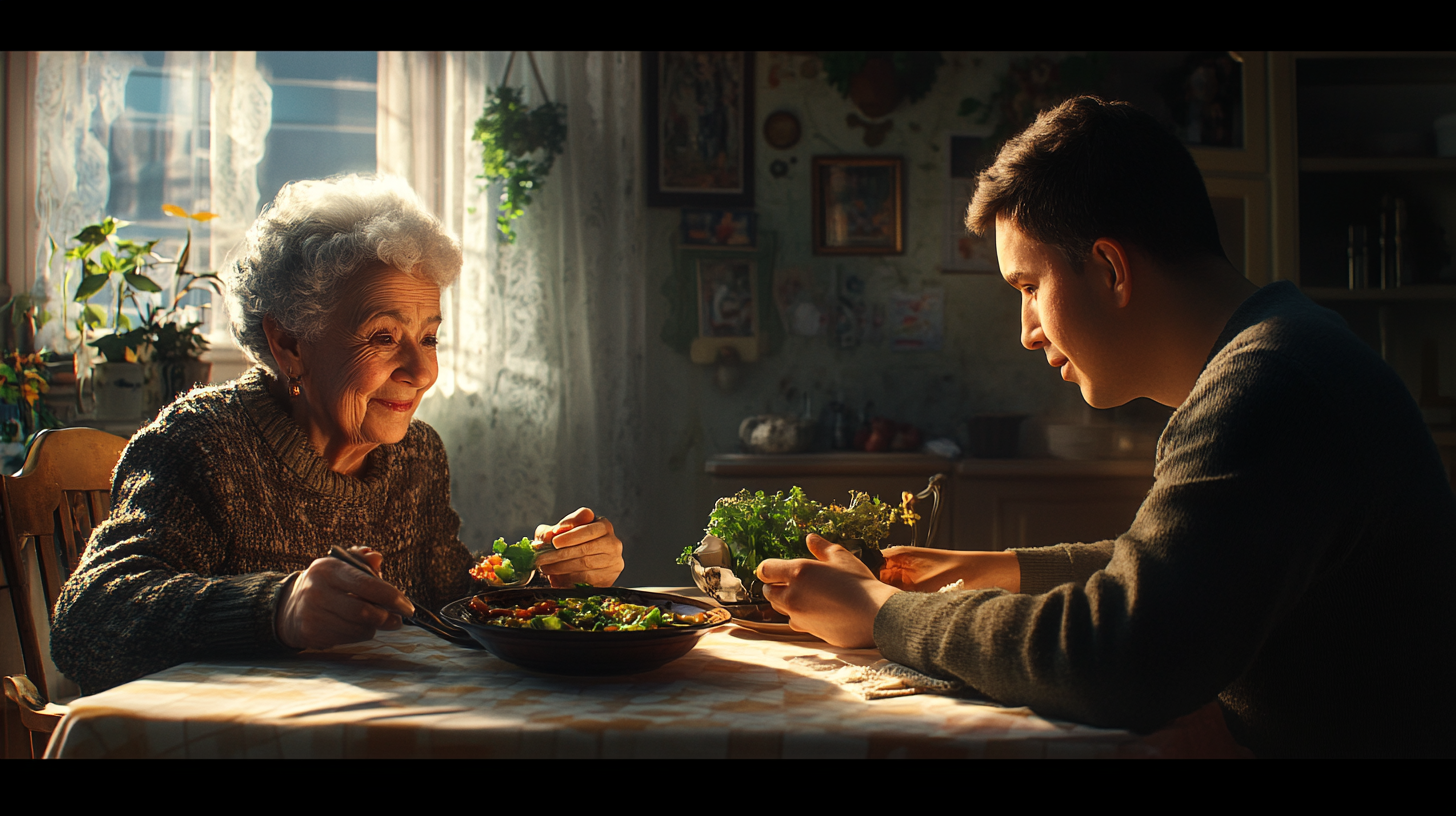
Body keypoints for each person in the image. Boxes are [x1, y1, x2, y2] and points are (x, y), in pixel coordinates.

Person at [757, 97, 1456, 757]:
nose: (1026, 332)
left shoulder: (1267, 385)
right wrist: (1003, 571)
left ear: (1110, 269)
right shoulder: (1291, 347)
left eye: (1029, 288)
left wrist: (879, 612)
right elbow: (1182, 574)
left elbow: (1120, 652)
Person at [51, 175, 624, 695]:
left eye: (428, 338)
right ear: (290, 343)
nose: (423, 372)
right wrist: (277, 608)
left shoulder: (416, 455)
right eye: (382, 336)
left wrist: (547, 574)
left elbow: (447, 603)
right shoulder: (203, 443)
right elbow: (87, 622)